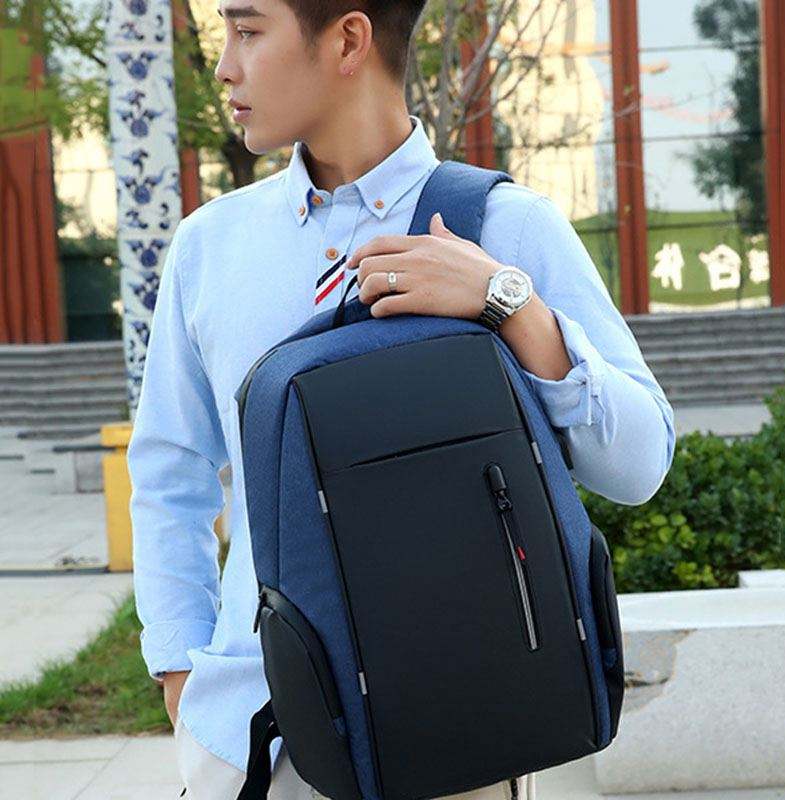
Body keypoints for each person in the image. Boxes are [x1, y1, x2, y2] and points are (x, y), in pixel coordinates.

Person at [127, 1, 676, 798]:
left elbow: (640, 465)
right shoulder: (210, 248)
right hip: (253, 737)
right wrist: (181, 674)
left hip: (456, 735)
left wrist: (509, 303)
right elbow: (169, 475)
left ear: (348, 39)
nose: (224, 66)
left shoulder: (504, 226)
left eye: (248, 31)